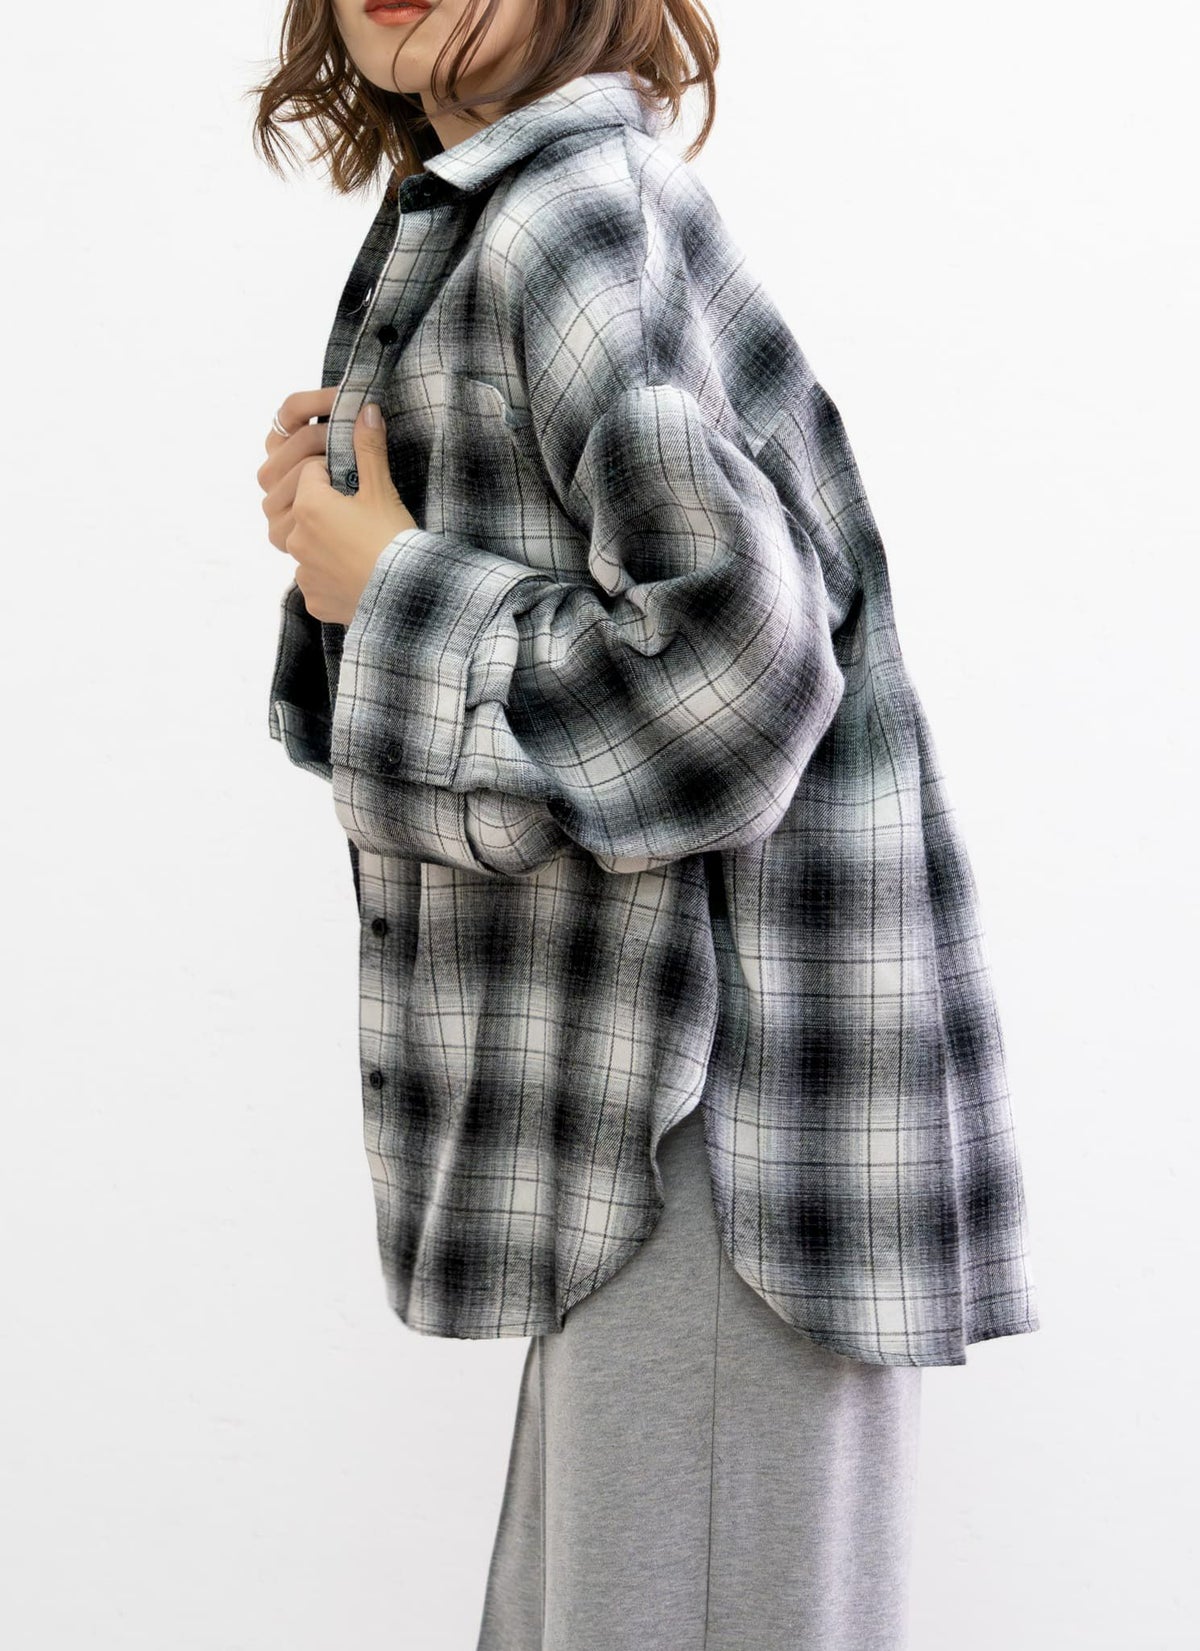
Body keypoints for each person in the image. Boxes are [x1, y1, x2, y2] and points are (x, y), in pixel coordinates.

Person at [252, 3, 1041, 1647]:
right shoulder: (509, 214)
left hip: (711, 1149)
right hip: (676, 1132)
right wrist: (360, 556)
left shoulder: (570, 220)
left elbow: (742, 675)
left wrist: (392, 586)